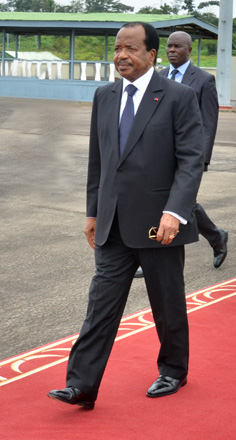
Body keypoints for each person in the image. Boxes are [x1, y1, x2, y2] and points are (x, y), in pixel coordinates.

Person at [48, 22, 204, 409]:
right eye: (118, 48)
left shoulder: (178, 97)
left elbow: (191, 160)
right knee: (100, 304)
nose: (121, 55)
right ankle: (81, 384)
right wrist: (92, 211)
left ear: (151, 54)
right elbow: (98, 160)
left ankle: (173, 370)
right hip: (112, 222)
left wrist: (175, 211)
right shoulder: (104, 96)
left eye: (131, 48)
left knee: (166, 302)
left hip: (159, 223)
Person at [159, 30, 228, 269]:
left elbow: (209, 123)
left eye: (177, 46)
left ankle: (217, 237)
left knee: (184, 201)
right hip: (161, 153)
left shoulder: (203, 80)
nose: (171, 50)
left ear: (189, 50)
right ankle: (216, 236)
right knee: (164, 200)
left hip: (189, 154)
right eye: (168, 46)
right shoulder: (160, 76)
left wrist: (202, 159)